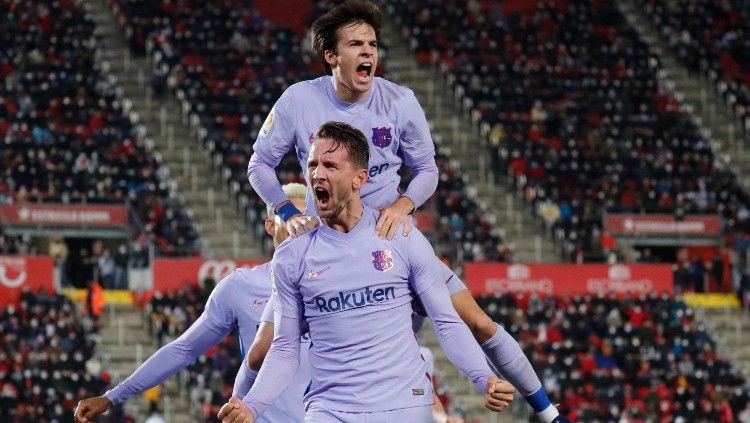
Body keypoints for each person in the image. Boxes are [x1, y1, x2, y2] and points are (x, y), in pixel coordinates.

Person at [246, 2, 566, 421]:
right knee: (264, 349)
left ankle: (548, 413)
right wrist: (287, 211)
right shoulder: (297, 101)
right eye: (356, 44)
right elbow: (258, 166)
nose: (368, 53)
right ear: (330, 56)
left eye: (373, 44)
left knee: (479, 324)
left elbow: (428, 170)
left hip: (392, 243)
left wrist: (403, 204)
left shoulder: (401, 102)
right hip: (328, 245)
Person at [219, 121, 514, 422]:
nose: (317, 174)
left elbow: (446, 321)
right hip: (331, 409)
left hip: (403, 406)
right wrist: (251, 405)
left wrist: (484, 378)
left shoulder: (401, 236)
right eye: (312, 165)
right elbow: (283, 348)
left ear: (360, 178)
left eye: (330, 165)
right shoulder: (291, 258)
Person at [74, 184, 312, 423]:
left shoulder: (334, 284)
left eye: (304, 220)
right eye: (289, 217)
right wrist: (112, 397)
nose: (298, 227)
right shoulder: (240, 286)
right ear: (270, 226)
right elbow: (183, 349)